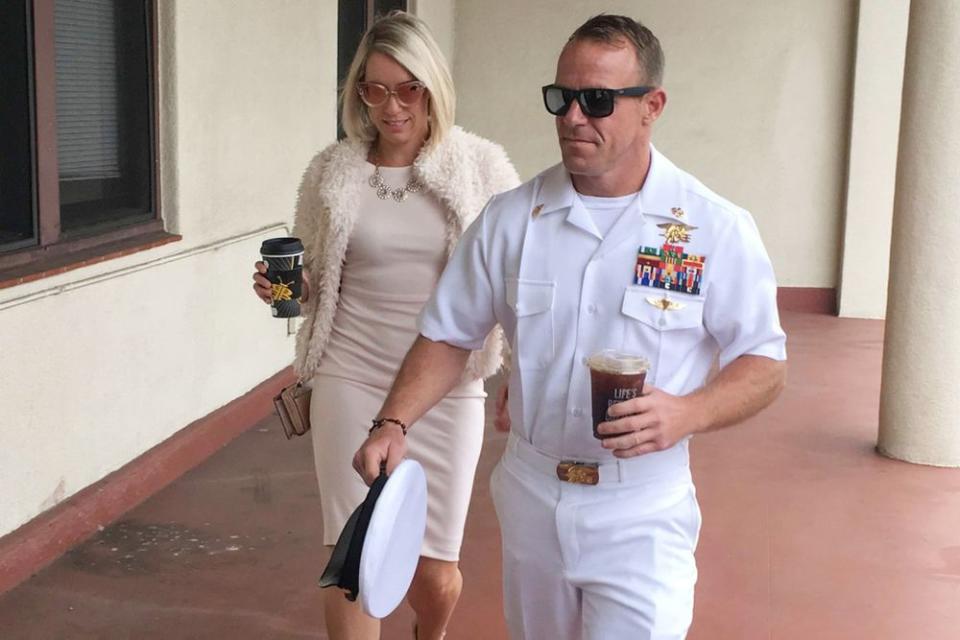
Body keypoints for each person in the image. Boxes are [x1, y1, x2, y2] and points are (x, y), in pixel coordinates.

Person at [354, 13, 787, 640]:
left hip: (641, 506)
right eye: (562, 98)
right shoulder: (511, 221)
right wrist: (393, 421)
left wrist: (688, 412)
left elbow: (764, 363)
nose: (573, 117)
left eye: (598, 101)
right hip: (532, 494)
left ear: (652, 106)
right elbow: (449, 334)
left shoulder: (709, 227)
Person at [252, 11, 518, 640]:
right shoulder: (332, 172)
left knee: (435, 569)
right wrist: (290, 289)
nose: (391, 106)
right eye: (374, 89)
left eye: (408, 89)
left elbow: (515, 278)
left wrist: (527, 372)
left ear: (434, 88)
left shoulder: (481, 168)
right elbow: (318, 271)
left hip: (447, 384)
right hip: (350, 371)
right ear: (357, 93)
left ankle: (432, 630)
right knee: (354, 558)